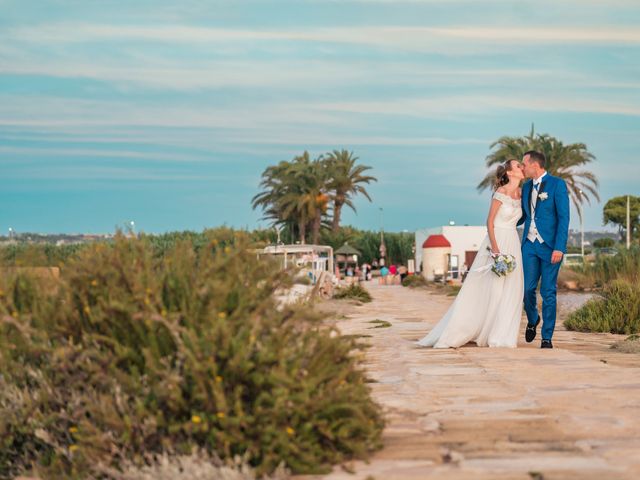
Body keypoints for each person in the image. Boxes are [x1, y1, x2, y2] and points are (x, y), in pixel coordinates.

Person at [416, 159, 525, 348]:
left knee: (511, 289)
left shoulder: (522, 194)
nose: (521, 168)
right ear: (509, 173)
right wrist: (496, 249)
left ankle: (501, 333)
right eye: (518, 166)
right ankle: (471, 328)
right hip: (497, 240)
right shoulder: (501, 193)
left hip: (513, 241)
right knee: (490, 287)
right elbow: (490, 222)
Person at [519, 150, 570, 349]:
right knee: (526, 289)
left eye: (524, 164)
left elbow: (564, 218)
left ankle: (547, 337)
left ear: (535, 165)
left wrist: (560, 247)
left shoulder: (557, 184)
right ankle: (533, 319)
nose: (523, 168)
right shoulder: (525, 188)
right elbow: (523, 215)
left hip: (550, 247)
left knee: (548, 292)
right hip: (529, 245)